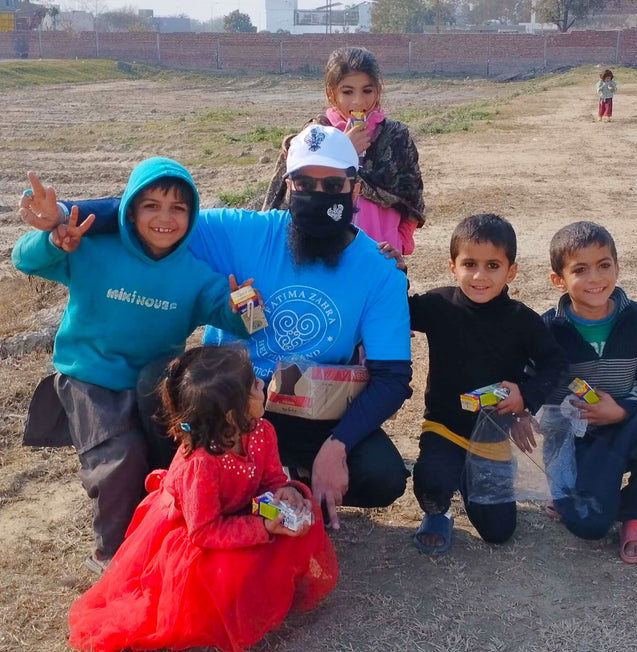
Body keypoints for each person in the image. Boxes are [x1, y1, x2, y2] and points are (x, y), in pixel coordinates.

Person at [18, 125, 413, 531]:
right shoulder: (244, 232)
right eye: (304, 184)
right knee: (158, 382)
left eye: (332, 185)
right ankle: (181, 494)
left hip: (312, 412)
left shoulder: (379, 272)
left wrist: (338, 445)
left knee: (382, 475)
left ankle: (284, 479)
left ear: (354, 190)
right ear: (288, 186)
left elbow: (392, 377)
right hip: (227, 402)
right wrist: (63, 215)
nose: (318, 194)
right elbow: (148, 213)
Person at [13, 160, 251, 574]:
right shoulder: (92, 249)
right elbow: (24, 259)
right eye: (151, 206)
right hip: (89, 376)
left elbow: (238, 318)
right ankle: (111, 558)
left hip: (153, 385)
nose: (165, 218)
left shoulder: (194, 275)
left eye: (178, 208)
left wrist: (245, 306)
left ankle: (158, 538)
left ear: (192, 215)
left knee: (167, 458)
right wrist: (52, 239)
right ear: (130, 210)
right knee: (120, 458)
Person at [67, 346, 337, 652]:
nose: (262, 383)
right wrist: (261, 527)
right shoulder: (200, 464)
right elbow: (204, 531)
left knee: (301, 522)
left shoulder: (262, 431)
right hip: (197, 535)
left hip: (239, 515)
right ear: (232, 413)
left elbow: (272, 478)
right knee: (229, 568)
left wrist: (285, 492)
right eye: (254, 384)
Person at [385, 214, 566, 554]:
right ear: (453, 267)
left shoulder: (522, 320)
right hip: (444, 427)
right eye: (469, 264)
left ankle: (472, 479)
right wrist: (398, 274)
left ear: (511, 271)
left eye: (492, 265)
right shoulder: (439, 304)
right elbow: (398, 311)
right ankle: (439, 512)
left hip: (493, 435)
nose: (480, 276)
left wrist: (526, 395)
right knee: (431, 483)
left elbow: (555, 363)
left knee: (498, 532)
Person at [542, 221, 637, 564]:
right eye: (580, 270)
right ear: (559, 280)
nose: (595, 278)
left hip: (625, 427)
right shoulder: (548, 328)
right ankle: (579, 498)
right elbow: (535, 387)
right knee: (589, 525)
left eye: (604, 265)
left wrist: (620, 410)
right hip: (575, 443)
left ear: (617, 267)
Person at [262, 46, 425, 256]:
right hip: (325, 249)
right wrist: (343, 149)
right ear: (331, 94)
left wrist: (400, 241)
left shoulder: (395, 135)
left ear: (377, 91)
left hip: (380, 251)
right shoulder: (315, 134)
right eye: (347, 92)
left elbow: (411, 198)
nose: (358, 101)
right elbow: (293, 195)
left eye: (367, 91)